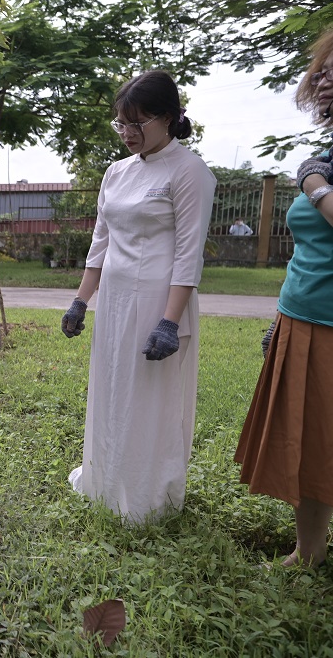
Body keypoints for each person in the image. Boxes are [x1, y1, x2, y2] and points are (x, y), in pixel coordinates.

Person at [61, 71, 216, 522]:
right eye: (121, 124)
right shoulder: (117, 171)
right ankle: (105, 480)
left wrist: (170, 322)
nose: (127, 134)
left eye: (137, 124)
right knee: (111, 389)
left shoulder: (190, 172)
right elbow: (101, 240)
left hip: (157, 302)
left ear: (168, 118)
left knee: (148, 399)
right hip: (113, 298)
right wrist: (81, 299)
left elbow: (189, 255)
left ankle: (146, 497)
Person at [235, 30, 333, 568]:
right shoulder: (325, 155)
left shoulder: (320, 169)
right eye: (320, 71)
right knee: (313, 441)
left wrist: (316, 185)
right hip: (304, 315)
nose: (322, 81)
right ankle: (309, 551)